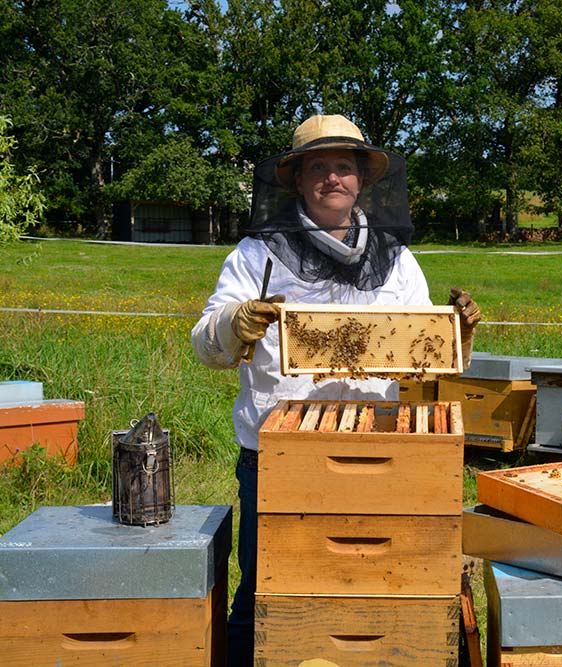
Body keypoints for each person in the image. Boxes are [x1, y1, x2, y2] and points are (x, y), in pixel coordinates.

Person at [190, 114, 480, 666]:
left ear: (362, 180)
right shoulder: (257, 255)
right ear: (296, 180)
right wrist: (234, 322)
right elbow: (207, 345)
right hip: (279, 457)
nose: (332, 178)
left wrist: (458, 333)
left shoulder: (397, 260)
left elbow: (428, 354)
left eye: (343, 167)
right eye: (317, 167)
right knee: (264, 600)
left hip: (379, 451)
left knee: (375, 593)